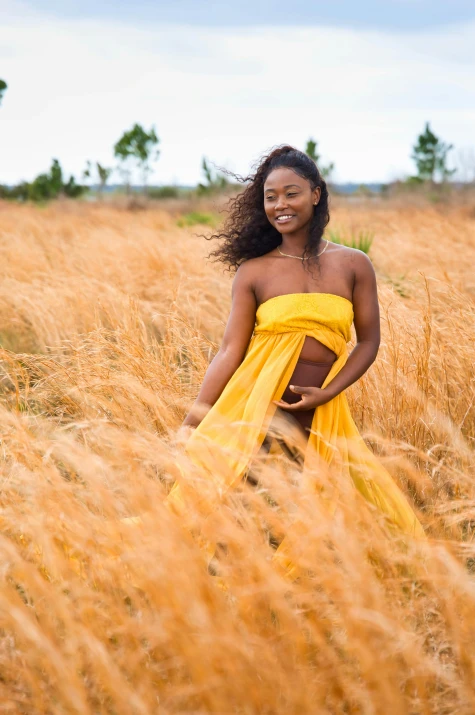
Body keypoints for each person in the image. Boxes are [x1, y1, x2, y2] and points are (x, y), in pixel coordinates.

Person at [166, 145, 425, 541]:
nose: (280, 205)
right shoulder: (254, 271)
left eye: (291, 193)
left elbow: (369, 342)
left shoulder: (353, 264)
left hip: (323, 410)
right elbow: (229, 351)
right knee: (228, 499)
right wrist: (192, 420)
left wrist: (327, 393)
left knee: (330, 507)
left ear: (316, 194)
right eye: (270, 197)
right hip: (256, 403)